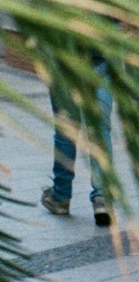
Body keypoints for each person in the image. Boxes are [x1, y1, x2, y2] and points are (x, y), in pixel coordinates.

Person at [40, 52, 113, 227]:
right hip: (100, 51)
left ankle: (61, 196)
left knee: (67, 128)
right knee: (100, 128)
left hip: (63, 51)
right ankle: (101, 197)